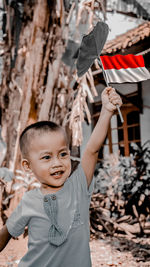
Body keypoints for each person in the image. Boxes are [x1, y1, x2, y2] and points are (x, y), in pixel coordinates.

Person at [0, 87, 122, 267]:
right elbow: (7, 233)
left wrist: (106, 112)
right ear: (27, 166)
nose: (57, 163)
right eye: (46, 157)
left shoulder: (78, 186)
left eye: (63, 154)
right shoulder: (29, 201)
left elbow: (91, 150)